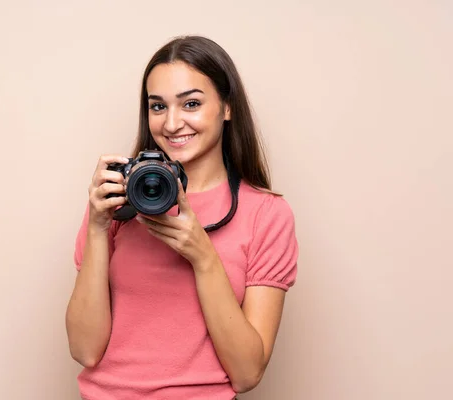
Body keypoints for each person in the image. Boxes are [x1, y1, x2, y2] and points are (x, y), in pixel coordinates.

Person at [65, 35, 299, 400]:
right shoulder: (117, 202)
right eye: (158, 107)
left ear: (226, 107)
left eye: (190, 103)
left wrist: (203, 256)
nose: (172, 124)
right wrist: (98, 227)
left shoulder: (266, 215)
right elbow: (84, 350)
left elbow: (247, 373)